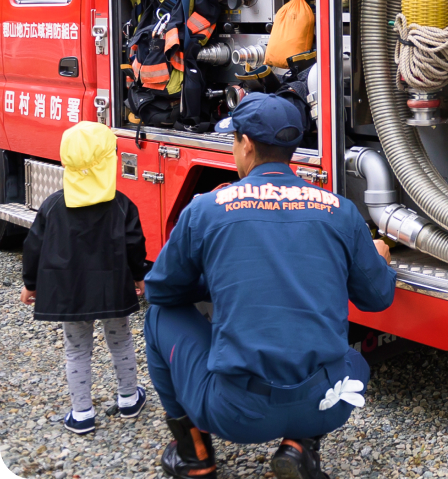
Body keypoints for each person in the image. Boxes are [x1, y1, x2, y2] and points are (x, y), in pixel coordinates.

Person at [143, 94, 397, 479]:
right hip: (324, 402)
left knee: (158, 317)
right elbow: (377, 298)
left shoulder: (206, 209)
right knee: (354, 361)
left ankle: (194, 454)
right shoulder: (340, 210)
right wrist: (376, 258)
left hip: (236, 412)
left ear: (245, 144)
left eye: (233, 141)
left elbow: (160, 290)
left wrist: (218, 279)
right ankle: (300, 446)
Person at [19, 122, 148, 434]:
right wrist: (138, 277)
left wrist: (30, 283)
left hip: (70, 291)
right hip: (113, 290)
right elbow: (134, 245)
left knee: (77, 350)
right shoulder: (121, 205)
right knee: (121, 341)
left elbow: (33, 245)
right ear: (108, 161)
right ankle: (129, 398)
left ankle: (82, 413)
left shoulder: (52, 205)